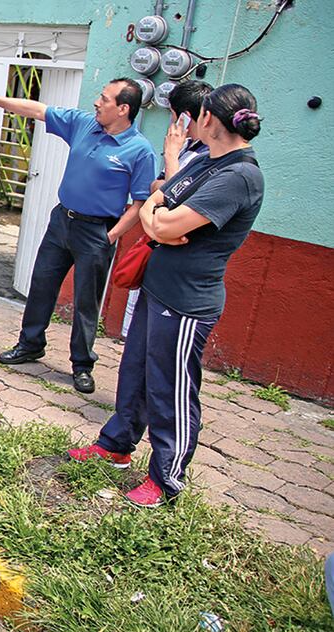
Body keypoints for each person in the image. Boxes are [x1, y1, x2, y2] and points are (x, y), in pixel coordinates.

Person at [69, 84, 265, 507]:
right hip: (159, 287)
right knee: (136, 373)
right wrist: (158, 217)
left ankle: (166, 479)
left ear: (207, 119)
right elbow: (156, 204)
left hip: (187, 300)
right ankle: (116, 444)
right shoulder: (207, 164)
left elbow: (164, 223)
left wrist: (159, 219)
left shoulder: (239, 175)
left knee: (170, 388)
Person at [0, 79, 156, 393]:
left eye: (105, 99)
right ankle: (30, 344)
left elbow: (139, 203)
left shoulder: (139, 150)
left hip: (98, 230)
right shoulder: (84, 125)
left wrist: (112, 236)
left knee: (85, 300)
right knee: (41, 284)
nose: (97, 102)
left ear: (123, 109)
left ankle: (82, 364)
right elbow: (39, 110)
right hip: (62, 221)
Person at [123, 79, 214, 337]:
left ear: (183, 117)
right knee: (136, 317)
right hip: (154, 242)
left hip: (178, 254)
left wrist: (171, 156)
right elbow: (157, 186)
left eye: (172, 115)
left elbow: (173, 198)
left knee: (156, 332)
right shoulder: (188, 147)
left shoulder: (205, 157)